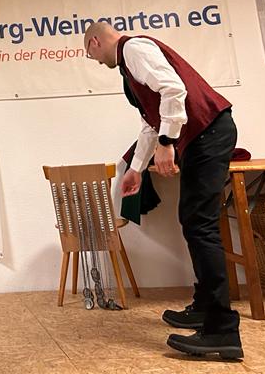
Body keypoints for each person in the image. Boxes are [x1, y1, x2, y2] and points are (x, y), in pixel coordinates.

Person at [83, 21, 243, 361]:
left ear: (95, 41)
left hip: (209, 133)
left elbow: (173, 89)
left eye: (90, 54)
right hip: (204, 136)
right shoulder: (129, 64)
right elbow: (150, 122)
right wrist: (136, 169)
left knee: (200, 226)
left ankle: (222, 331)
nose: (95, 61)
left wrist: (168, 142)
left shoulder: (133, 48)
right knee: (194, 222)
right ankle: (205, 307)